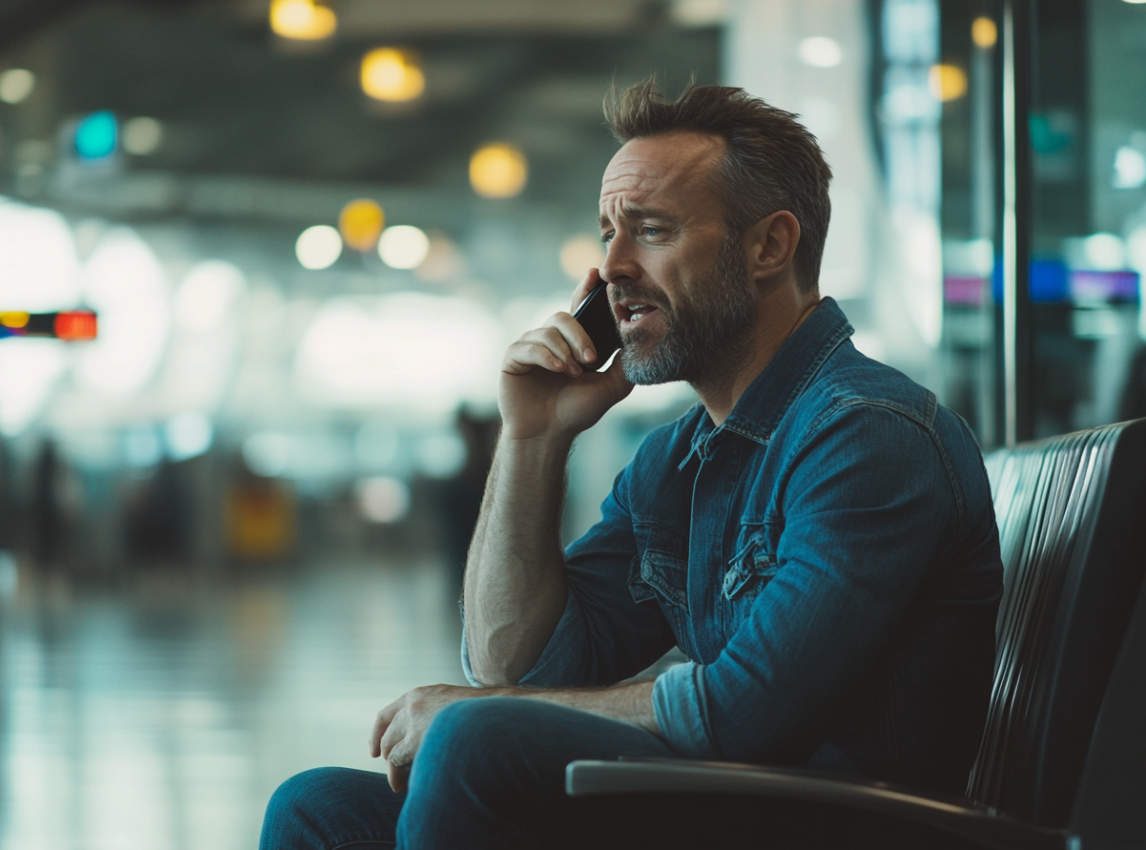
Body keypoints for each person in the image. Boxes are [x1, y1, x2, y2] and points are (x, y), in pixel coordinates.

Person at [261, 80, 1003, 849]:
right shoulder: (678, 460)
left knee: (474, 742)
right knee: (319, 808)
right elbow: (514, 666)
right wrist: (533, 441)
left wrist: (468, 717)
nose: (611, 266)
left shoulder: (866, 436)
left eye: (650, 230)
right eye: (608, 234)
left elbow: (746, 711)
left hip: (836, 820)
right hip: (732, 801)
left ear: (769, 247)